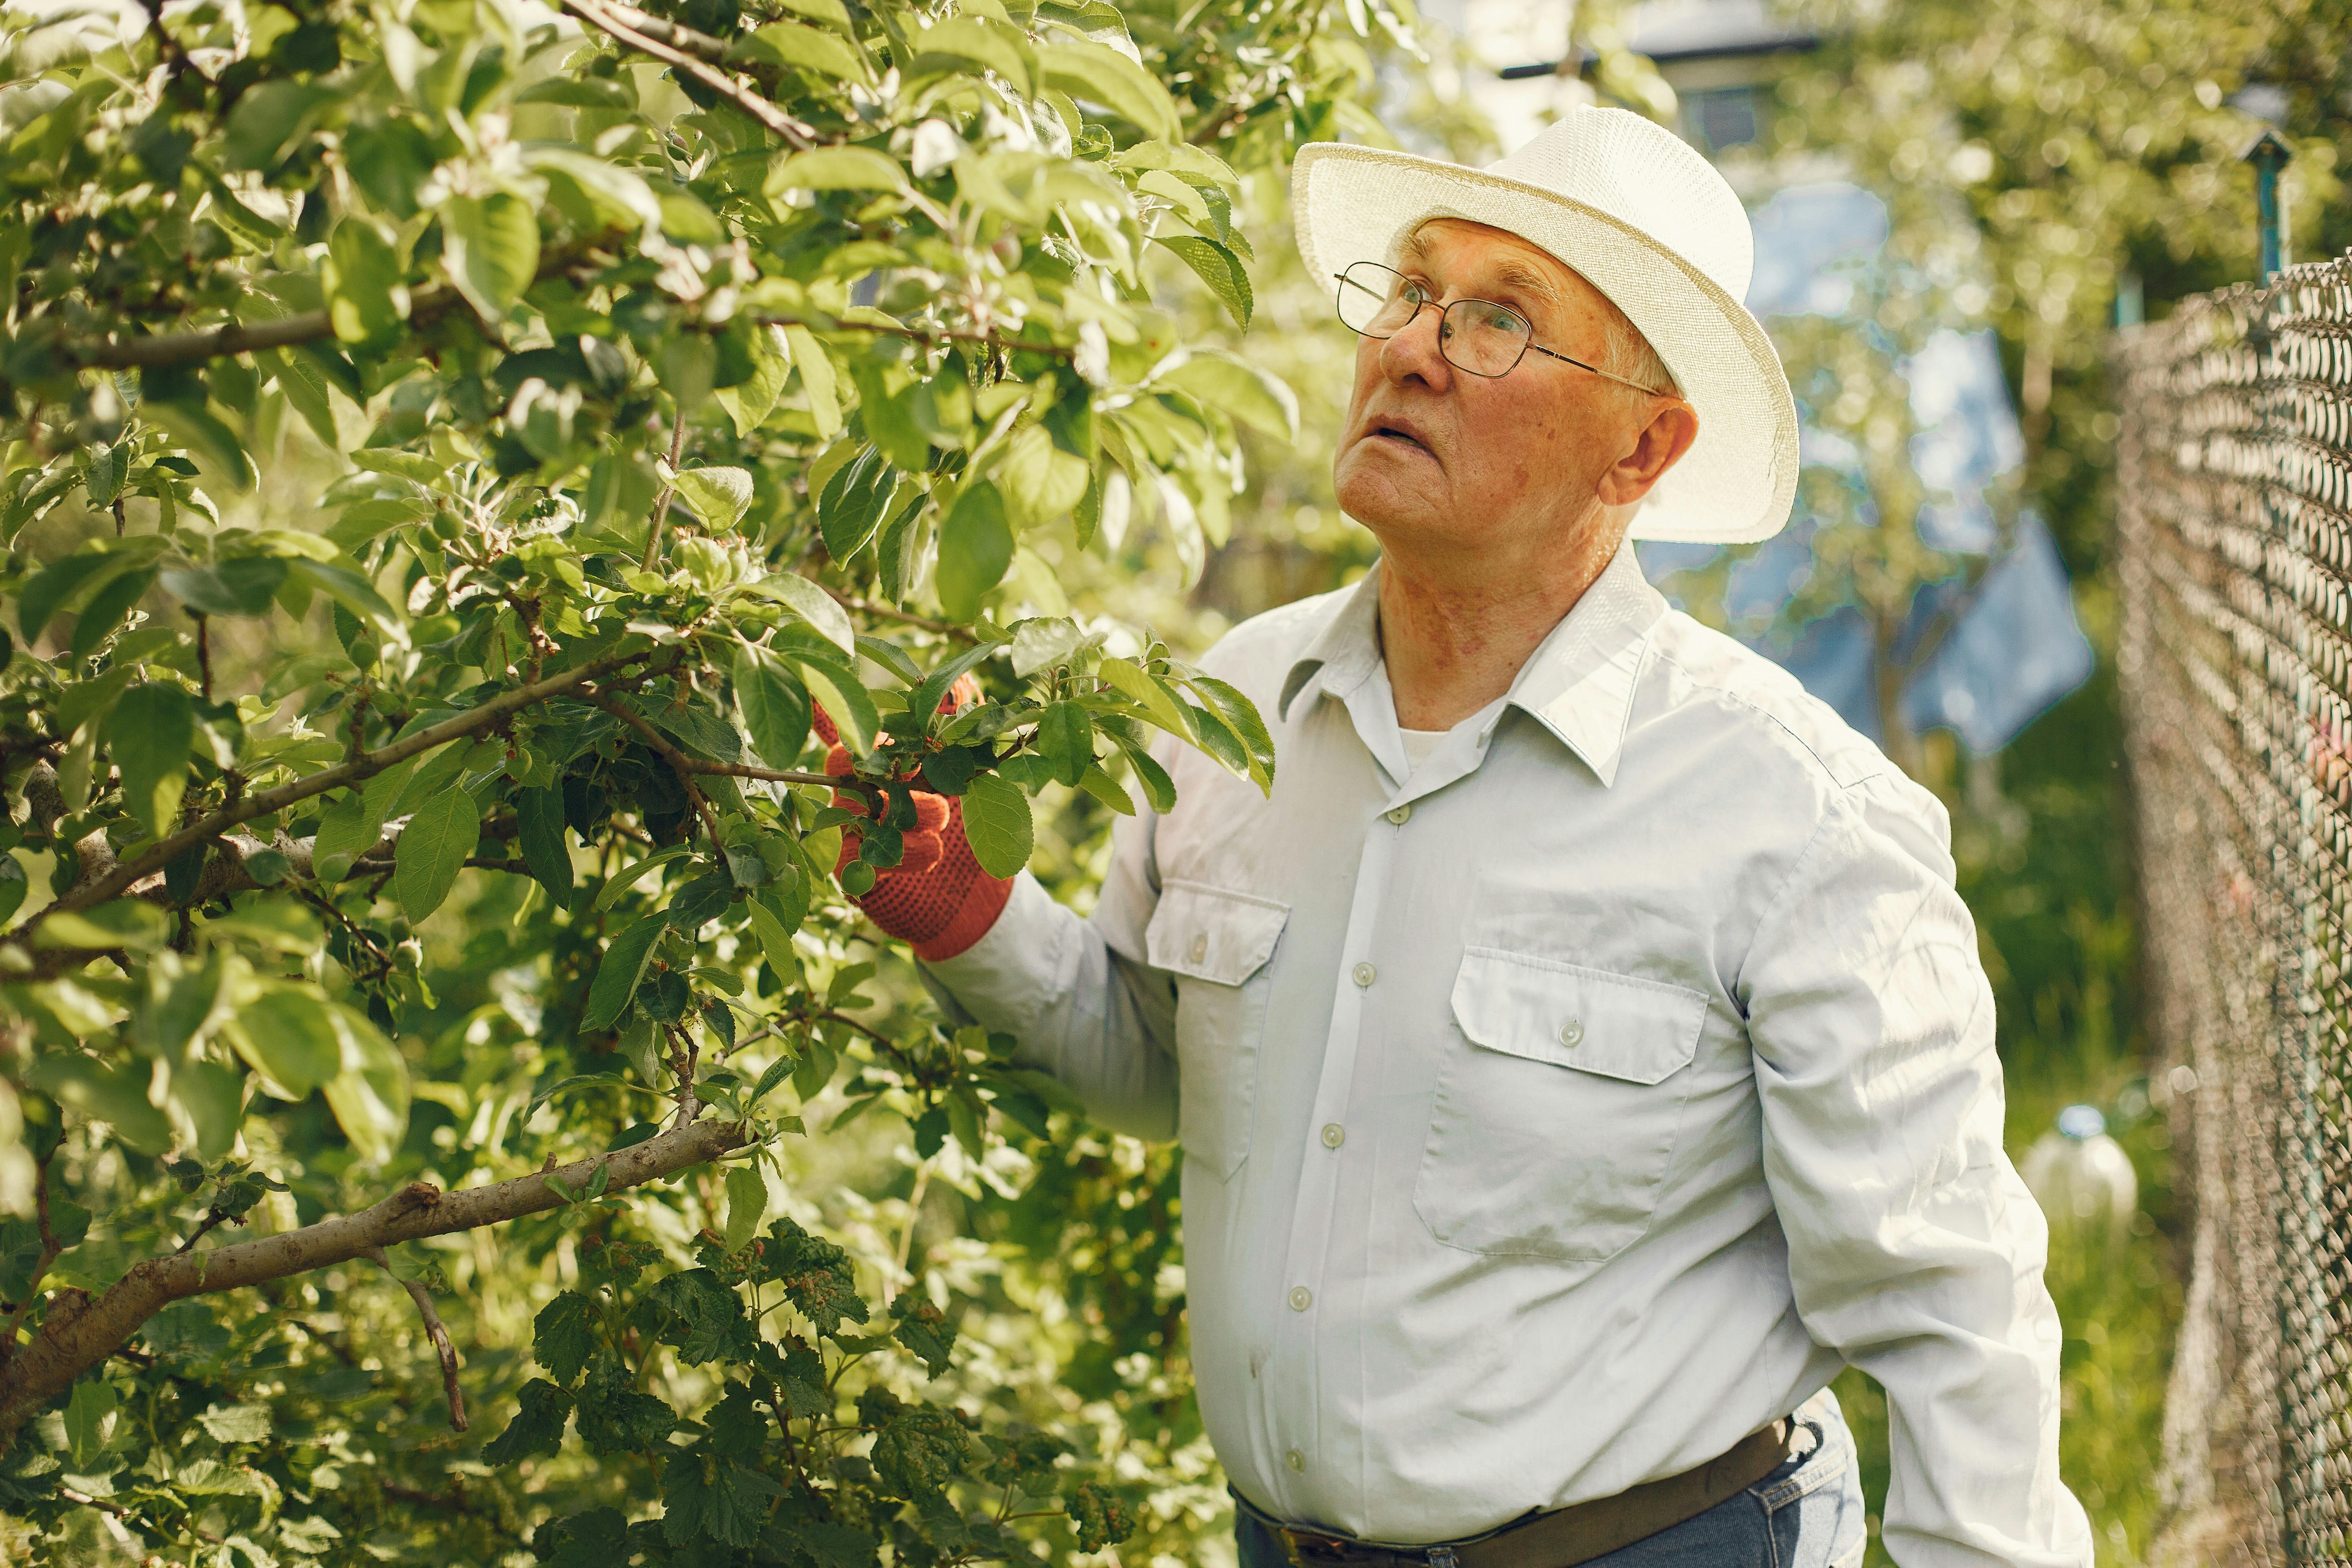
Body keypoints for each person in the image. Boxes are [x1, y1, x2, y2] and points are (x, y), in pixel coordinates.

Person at [828, 108, 2093, 1567]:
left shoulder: (1794, 814)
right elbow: (1155, 1066)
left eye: (1501, 320)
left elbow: (1953, 1312)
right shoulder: (1239, 705)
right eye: (1415, 291)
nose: (1414, 348)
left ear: (1643, 444)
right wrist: (973, 917)